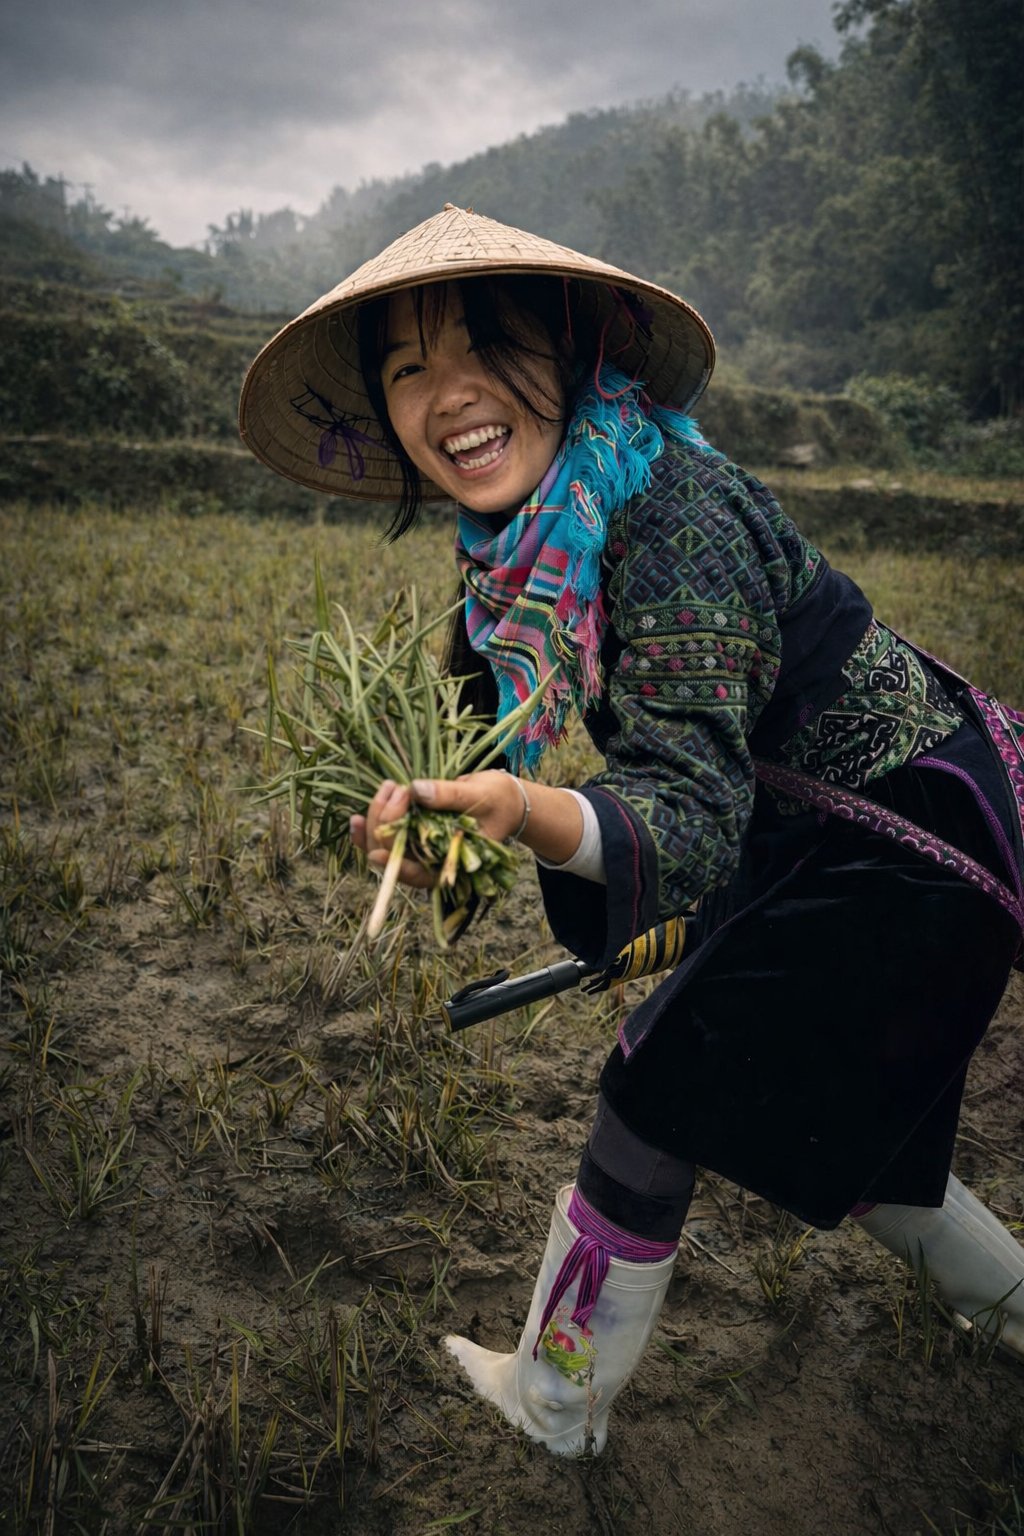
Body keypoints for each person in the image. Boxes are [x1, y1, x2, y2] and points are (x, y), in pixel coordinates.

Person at [240, 203, 1024, 1457]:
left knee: (658, 1086)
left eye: (482, 347)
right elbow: (483, 772)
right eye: (405, 369)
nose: (447, 396)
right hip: (828, 834)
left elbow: (687, 812)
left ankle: (554, 1404)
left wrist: (516, 812)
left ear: (574, 351)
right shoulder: (521, 552)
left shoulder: (671, 520)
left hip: (906, 837)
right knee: (846, 1103)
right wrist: (423, 826)